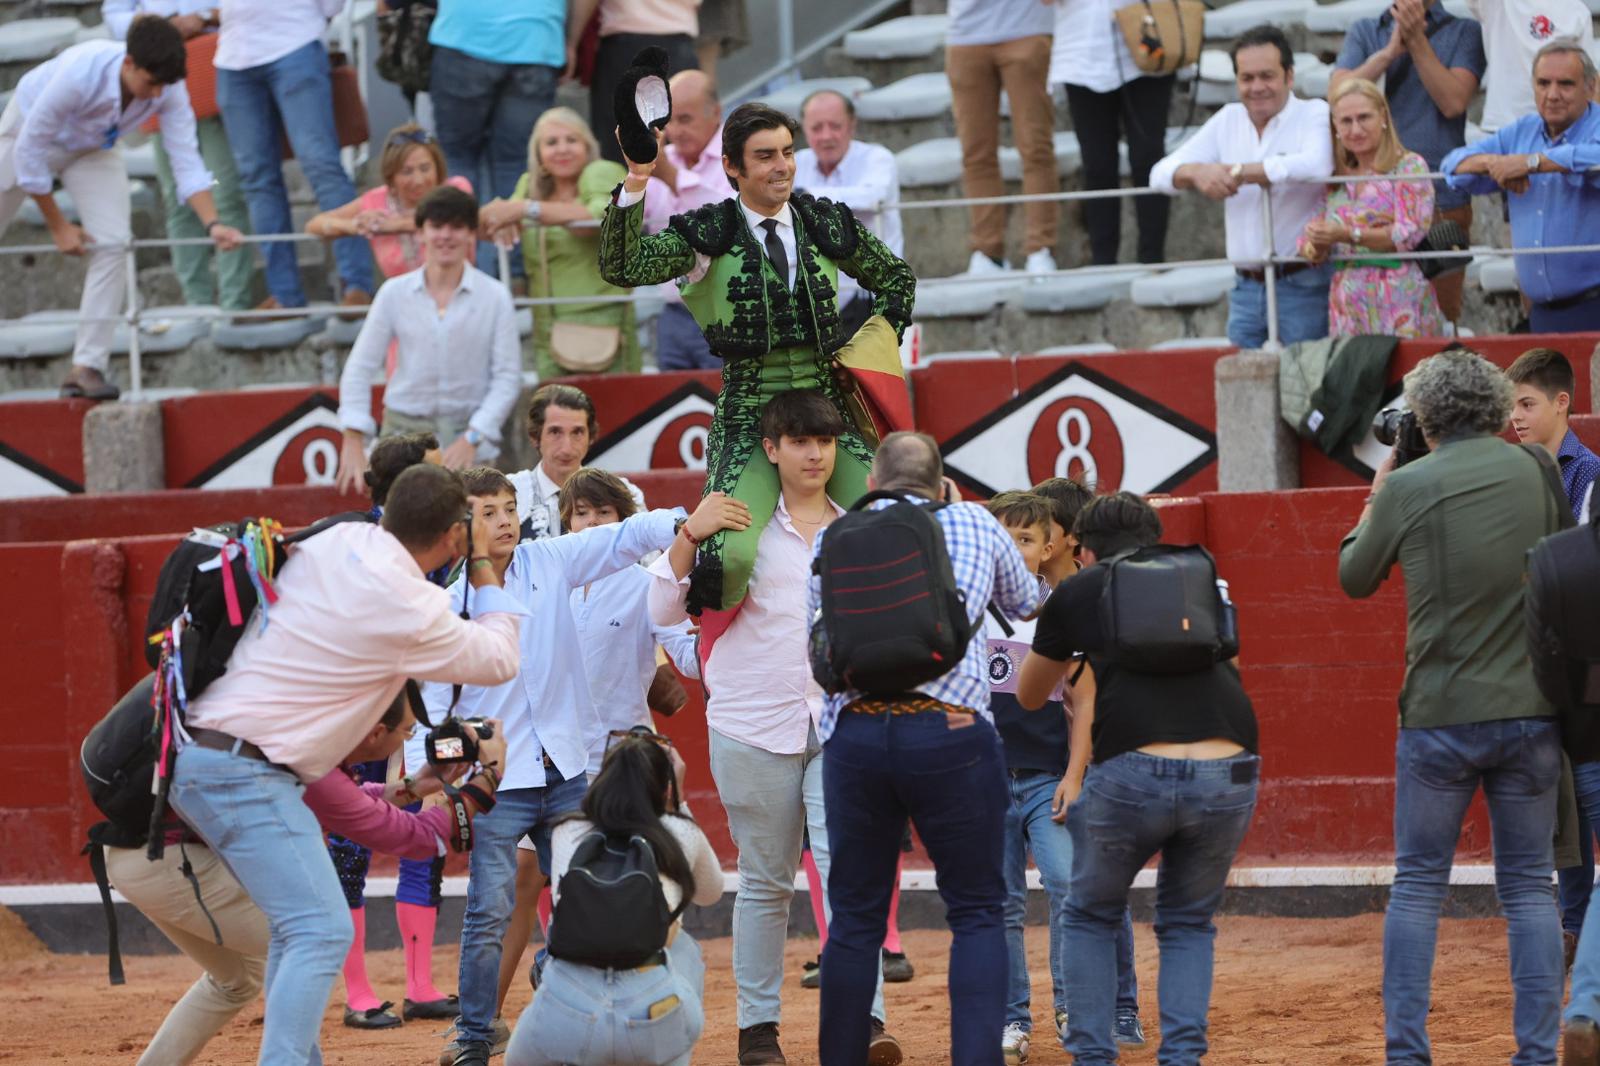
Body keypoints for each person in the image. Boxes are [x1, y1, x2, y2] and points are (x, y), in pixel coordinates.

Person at [167, 463, 526, 1064]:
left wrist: (410, 786)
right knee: (320, 929)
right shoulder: (411, 605)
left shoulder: (338, 539)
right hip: (247, 770)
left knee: (298, 927)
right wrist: (485, 565)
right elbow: (499, 659)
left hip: (213, 753)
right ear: (456, 536)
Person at [432, 471, 738, 1066]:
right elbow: (431, 712)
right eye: (487, 511)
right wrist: (446, 783)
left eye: (509, 508)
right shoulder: (445, 605)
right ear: (458, 526)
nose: (502, 520)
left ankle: (561, 995)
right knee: (489, 909)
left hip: (568, 770)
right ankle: (473, 1037)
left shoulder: (549, 560)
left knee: (587, 892)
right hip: (498, 786)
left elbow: (624, 537)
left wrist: (683, 523)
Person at [646, 390, 899, 1066]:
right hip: (753, 724)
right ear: (772, 448)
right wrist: (689, 534)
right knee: (764, 881)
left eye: (824, 440)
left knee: (848, 874)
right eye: (799, 440)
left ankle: (867, 1022)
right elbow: (660, 604)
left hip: (845, 725)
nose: (813, 453)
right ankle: (758, 1031)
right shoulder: (737, 529)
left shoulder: (861, 526)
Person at [1338, 348, 1570, 1066]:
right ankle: (1536, 1054)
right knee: (1531, 886)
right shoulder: (1534, 468)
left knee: (1418, 887)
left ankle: (1408, 1054)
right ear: (1497, 408)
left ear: (1427, 418)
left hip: (1439, 711)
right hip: (1531, 706)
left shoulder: (1409, 485)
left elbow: (1354, 575)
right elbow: (1560, 559)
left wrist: (1383, 483)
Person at [601, 101, 918, 613]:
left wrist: (865, 351)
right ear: (732, 166)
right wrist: (639, 176)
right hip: (750, 417)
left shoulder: (820, 221)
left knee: (894, 527)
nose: (783, 166)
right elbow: (622, 265)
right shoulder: (709, 232)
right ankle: (718, 659)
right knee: (727, 556)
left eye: (789, 153)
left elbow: (897, 281)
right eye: (766, 156)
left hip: (827, 412)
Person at [108, 684, 506, 1066]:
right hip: (170, 863)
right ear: (377, 732)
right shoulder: (313, 761)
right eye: (406, 731)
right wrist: (485, 783)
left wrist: (416, 786)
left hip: (145, 855)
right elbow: (413, 836)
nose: (409, 739)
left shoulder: (304, 740)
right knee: (312, 938)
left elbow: (347, 799)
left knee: (241, 979)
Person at [810, 431, 1047, 1066]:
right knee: (975, 911)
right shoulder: (972, 519)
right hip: (951, 734)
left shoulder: (835, 537)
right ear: (942, 485)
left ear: (871, 485)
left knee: (854, 919)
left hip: (855, 737)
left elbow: (820, 649)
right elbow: (1026, 603)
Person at [1016, 492, 1260, 1066]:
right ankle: (1182, 1058)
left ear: (1086, 544)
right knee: (1188, 922)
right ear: (1154, 534)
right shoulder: (1202, 574)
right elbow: (1234, 665)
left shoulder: (1082, 587)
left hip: (1135, 768)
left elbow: (1030, 695)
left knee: (1089, 911)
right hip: (1229, 762)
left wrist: (1080, 661)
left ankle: (1095, 1057)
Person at [492, 467, 700, 1020]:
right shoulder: (538, 579)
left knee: (633, 887)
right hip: (552, 760)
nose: (589, 522)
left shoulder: (643, 583)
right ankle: (482, 1019)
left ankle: (635, 1009)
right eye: (579, 513)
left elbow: (687, 652)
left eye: (601, 513)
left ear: (619, 522)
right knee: (522, 880)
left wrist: (729, 642)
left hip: (620, 765)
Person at [0, 19, 243, 401]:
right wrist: (59, 225)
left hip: (92, 149)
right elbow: (30, 149)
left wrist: (212, 223)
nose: (157, 93)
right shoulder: (81, 72)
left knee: (115, 244)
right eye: (151, 84)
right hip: (24, 136)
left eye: (163, 85)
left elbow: (187, 160)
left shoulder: (168, 87)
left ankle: (87, 366)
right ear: (128, 62)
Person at [504, 728, 723, 1066]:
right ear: (663, 788)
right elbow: (711, 894)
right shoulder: (679, 830)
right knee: (684, 947)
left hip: (567, 1013)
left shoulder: (568, 829)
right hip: (650, 1013)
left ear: (603, 780)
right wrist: (678, 803)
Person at [1027, 477, 1146, 1052]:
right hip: (1054, 763)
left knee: (1098, 887)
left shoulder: (1089, 597)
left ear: (1068, 540)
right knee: (1082, 887)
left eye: (1039, 528)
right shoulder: (1029, 598)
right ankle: (1096, 1007)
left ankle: (1118, 1005)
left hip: (1100, 759)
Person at [1149, 24, 1334, 350]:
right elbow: (1159, 174)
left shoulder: (1313, 112)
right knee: (1241, 389)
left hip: (1304, 281)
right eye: (1247, 78)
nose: (1257, 87)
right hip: (1245, 287)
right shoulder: (1228, 119)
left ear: (1289, 77)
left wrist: (1238, 172)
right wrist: (1196, 172)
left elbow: (1317, 165)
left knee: (1308, 387)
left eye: (1267, 76)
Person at [1507, 347, 1600, 969]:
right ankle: (1570, 929)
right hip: (1537, 657)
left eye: (1527, 403)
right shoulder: (1513, 471)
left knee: (1583, 796)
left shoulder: (1589, 475)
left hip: (1583, 661)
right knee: (1561, 808)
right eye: (1512, 404)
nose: (1515, 416)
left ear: (1563, 403)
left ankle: (1575, 929)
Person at [335, 185, 522, 493]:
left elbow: (507, 377)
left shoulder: (496, 296)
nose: (445, 236)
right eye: (436, 226)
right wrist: (353, 436)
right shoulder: (393, 293)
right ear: (420, 233)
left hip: (469, 440)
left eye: (457, 226)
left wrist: (473, 437)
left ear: (471, 234)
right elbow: (359, 366)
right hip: (402, 436)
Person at [1331, 0, 1486, 323]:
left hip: (1441, 202)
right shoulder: (1366, 30)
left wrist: (1416, 40)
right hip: (1370, 201)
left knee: (1441, 322)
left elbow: (1453, 102)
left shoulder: (1464, 30)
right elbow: (1337, 97)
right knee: (1369, 321)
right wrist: (1388, 53)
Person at [215, 0, 372, 316]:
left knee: (321, 165)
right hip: (233, 55)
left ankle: (357, 285)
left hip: (295, 43)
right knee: (256, 179)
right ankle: (284, 295)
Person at [101, 0, 254, 318]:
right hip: (159, 78)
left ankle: (234, 304)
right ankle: (196, 306)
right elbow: (114, 16)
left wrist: (202, 17)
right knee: (177, 198)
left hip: (215, 71)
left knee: (223, 190)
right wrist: (160, 26)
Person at [1442, 42, 1600, 333]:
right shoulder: (1522, 131)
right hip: (1540, 313)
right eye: (1543, 83)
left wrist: (1532, 162)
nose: (1552, 94)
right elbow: (1452, 166)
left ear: (1590, 87)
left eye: (1565, 84)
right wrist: (1498, 163)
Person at [478, 107, 641, 379]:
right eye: (551, 142)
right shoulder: (530, 185)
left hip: (601, 320)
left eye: (571, 140)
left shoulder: (600, 171)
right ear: (538, 155)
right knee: (552, 414)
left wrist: (525, 210)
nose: (562, 149)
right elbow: (490, 222)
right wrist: (496, 216)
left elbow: (600, 217)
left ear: (587, 146)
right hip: (545, 325)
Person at [1297, 79, 1444, 338]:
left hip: (1400, 299)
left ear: (1383, 117)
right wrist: (1316, 243)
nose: (1356, 129)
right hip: (1347, 306)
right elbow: (1308, 245)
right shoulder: (1335, 178)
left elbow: (1408, 234)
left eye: (1364, 117)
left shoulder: (1409, 167)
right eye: (1346, 121)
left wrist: (1346, 234)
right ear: (1336, 127)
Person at [426, 0, 564, 268]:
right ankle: (515, 273)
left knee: (457, 161)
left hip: (464, 33)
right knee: (517, 164)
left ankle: (460, 269)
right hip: (537, 38)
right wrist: (567, 38)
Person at [1045, 0, 1173, 265]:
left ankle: (1153, 258)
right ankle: (1103, 261)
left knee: (1148, 158)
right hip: (1082, 54)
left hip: (1149, 42)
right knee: (1097, 165)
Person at [946, 0, 1059, 276]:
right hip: (966, 33)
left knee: (1036, 147)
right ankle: (988, 253)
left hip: (1027, 29)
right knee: (975, 152)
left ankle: (1040, 248)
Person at [641, 69, 735, 372]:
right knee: (671, 410)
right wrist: (634, 176)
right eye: (669, 121)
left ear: (716, 114)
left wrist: (668, 175)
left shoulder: (739, 156)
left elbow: (726, 221)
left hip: (727, 311)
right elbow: (631, 219)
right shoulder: (661, 159)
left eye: (685, 119)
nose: (675, 130)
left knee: (729, 410)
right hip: (673, 311)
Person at [795, 89, 905, 337]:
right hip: (812, 298)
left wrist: (804, 194)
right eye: (816, 128)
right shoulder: (795, 162)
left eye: (835, 126)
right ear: (804, 129)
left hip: (872, 293)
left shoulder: (877, 157)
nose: (826, 136)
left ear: (852, 125)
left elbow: (870, 198)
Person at [307, 124, 474, 281]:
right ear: (391, 177)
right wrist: (358, 225)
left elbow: (448, 221)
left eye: (425, 168)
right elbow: (315, 225)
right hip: (401, 301)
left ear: (438, 168)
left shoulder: (456, 189)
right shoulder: (376, 199)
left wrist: (390, 226)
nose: (418, 180)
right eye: (407, 172)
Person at [507, 383, 647, 541]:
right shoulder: (508, 493)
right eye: (555, 432)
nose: (567, 448)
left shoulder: (625, 492)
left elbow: (648, 561)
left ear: (591, 436)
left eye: (577, 432)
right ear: (535, 436)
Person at [574, 0, 701, 167]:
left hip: (626, 43)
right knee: (681, 149)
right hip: (680, 43)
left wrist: (571, 41)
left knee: (622, 154)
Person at [1465, 0, 1595, 133]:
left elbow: (1588, 79)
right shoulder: (1498, 4)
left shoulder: (1577, 11)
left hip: (1556, 131)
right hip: (1502, 125)